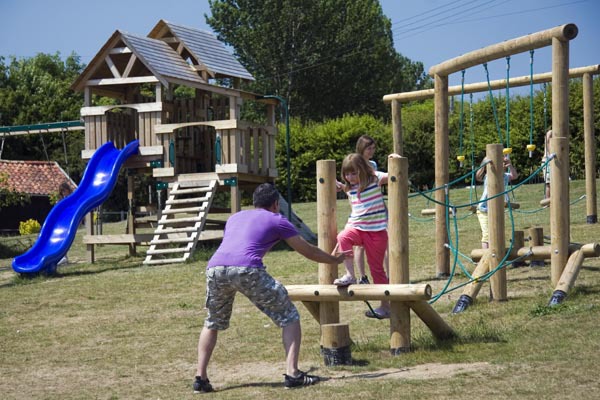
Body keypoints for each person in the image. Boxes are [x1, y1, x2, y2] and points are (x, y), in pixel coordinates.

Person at [193, 183, 350, 393]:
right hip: (247, 269)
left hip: (214, 268)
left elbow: (238, 244)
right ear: (276, 204)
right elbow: (308, 251)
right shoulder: (278, 220)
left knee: (212, 322)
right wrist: (334, 259)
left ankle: (200, 379)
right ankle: (293, 374)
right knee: (290, 316)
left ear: (255, 201)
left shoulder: (235, 217)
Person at [333, 152, 401, 319]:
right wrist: (338, 185)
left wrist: (396, 160)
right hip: (357, 228)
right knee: (343, 237)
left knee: (377, 269)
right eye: (347, 174)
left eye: (354, 173)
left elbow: (394, 174)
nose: (350, 177)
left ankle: (385, 306)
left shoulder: (374, 179)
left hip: (376, 232)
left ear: (363, 170)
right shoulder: (349, 187)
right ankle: (350, 275)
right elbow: (344, 187)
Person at [475, 155, 519, 249]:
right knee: (487, 235)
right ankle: (486, 256)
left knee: (496, 233)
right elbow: (478, 176)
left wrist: (510, 165)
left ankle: (495, 254)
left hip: (496, 208)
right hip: (484, 209)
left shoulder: (505, 176)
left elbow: (515, 176)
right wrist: (484, 164)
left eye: (503, 163)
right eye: (500, 162)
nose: (503, 164)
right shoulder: (490, 175)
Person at [541, 129, 552, 199]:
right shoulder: (550, 132)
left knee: (553, 182)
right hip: (547, 161)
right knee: (549, 183)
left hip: (550, 161)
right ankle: (547, 200)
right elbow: (547, 138)